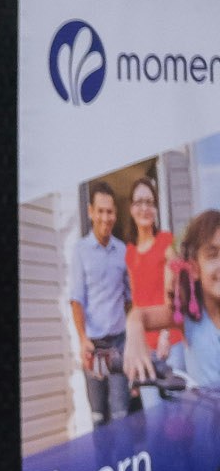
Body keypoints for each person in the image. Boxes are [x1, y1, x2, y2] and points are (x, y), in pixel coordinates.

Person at [125, 209, 220, 390]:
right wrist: (135, 335)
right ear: (194, 268)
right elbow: (139, 315)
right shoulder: (190, 317)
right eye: (212, 255)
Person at [70, 181, 137, 424]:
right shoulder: (80, 250)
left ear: (115, 215)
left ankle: (124, 462)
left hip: (118, 345)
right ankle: (104, 462)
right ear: (90, 212)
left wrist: (131, 338)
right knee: (99, 417)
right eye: (100, 211)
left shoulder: (123, 251)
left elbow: (130, 299)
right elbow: (76, 299)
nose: (105, 217)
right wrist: (82, 338)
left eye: (110, 212)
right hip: (94, 348)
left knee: (121, 414)